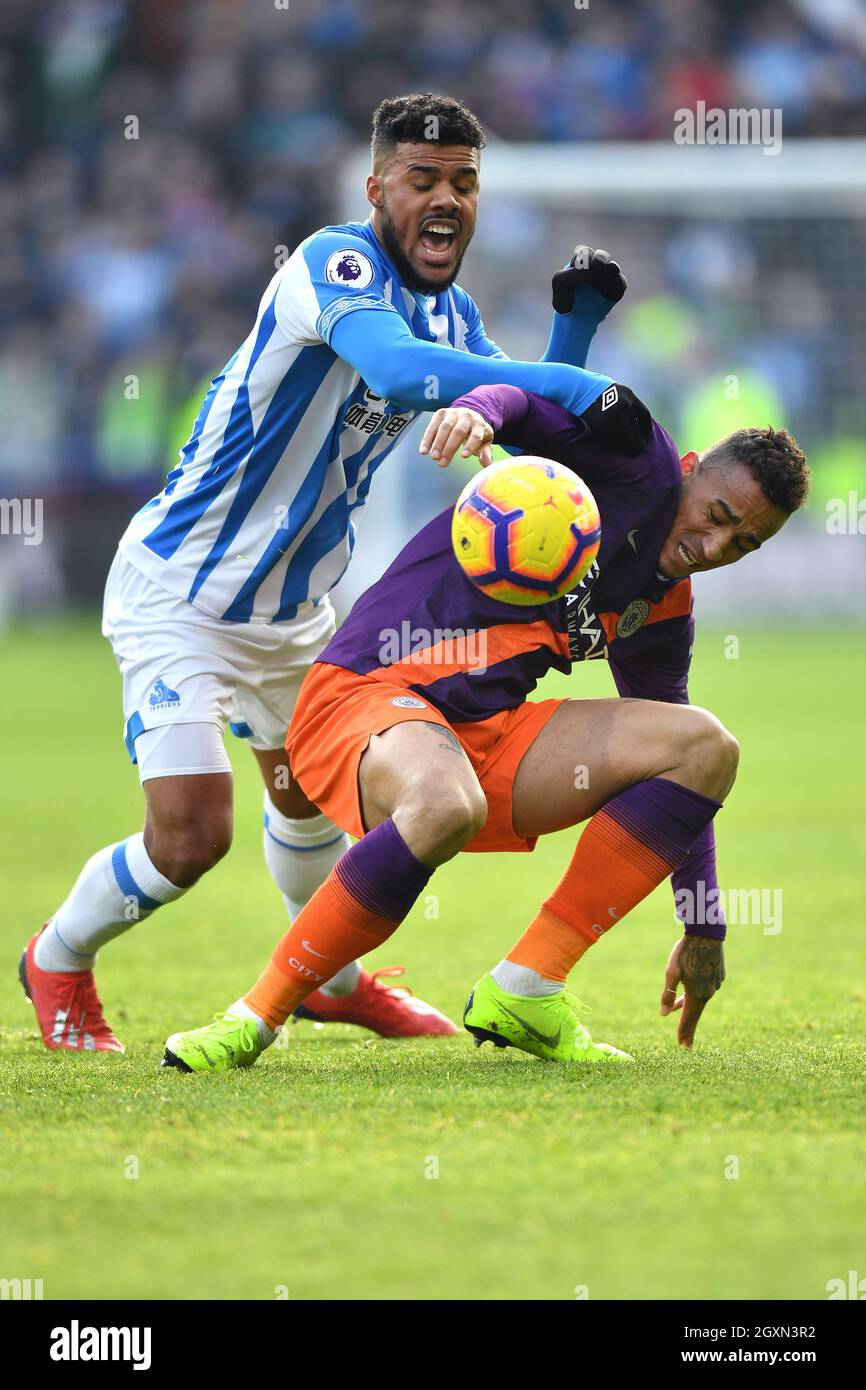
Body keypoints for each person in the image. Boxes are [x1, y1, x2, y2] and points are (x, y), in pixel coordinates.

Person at [19, 93, 625, 1052]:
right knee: (191, 838)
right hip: (182, 593)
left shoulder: (454, 313)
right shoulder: (330, 264)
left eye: (463, 183)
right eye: (422, 179)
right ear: (377, 186)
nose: (445, 199)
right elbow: (394, 372)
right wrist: (564, 381)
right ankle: (56, 957)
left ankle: (329, 982)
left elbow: (528, 420)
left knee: (315, 796)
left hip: (302, 611)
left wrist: (574, 335)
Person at [160, 378, 810, 1071]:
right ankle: (256, 1015)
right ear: (688, 471)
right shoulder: (634, 460)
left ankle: (527, 989)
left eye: (743, 543)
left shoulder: (665, 609)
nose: (714, 545)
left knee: (705, 746)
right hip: (365, 694)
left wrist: (704, 922)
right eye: (716, 515)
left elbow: (688, 781)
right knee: (444, 801)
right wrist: (476, 413)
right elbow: (529, 397)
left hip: (479, 740)